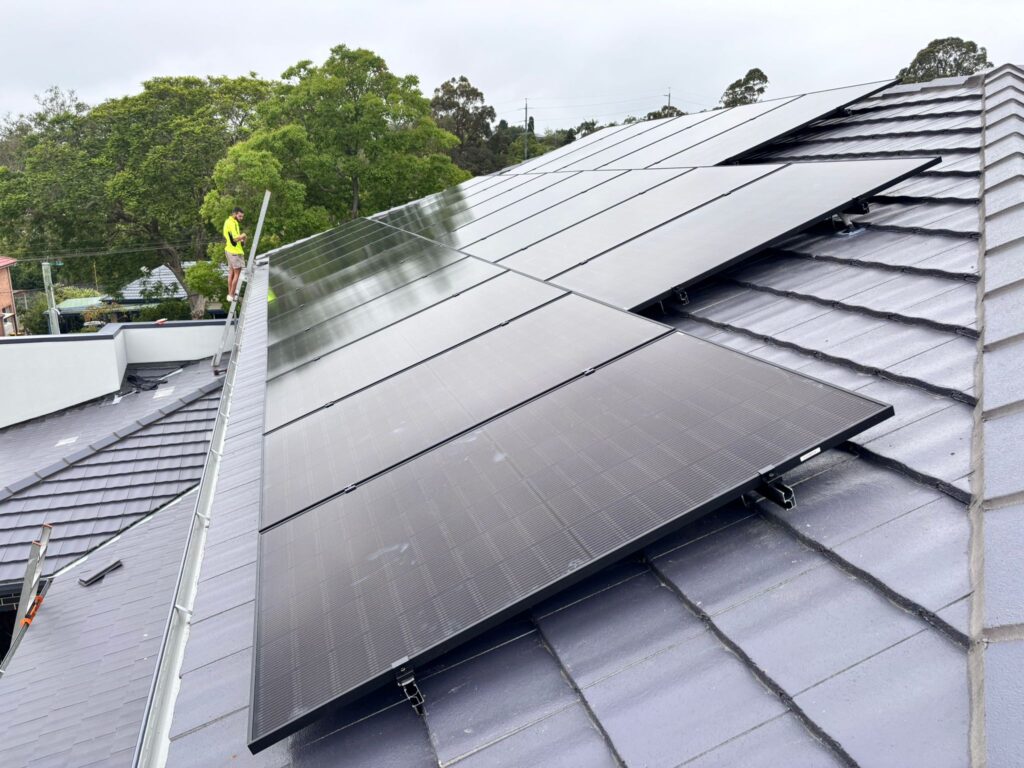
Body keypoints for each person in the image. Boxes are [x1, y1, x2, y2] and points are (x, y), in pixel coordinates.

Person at [222, 207, 247, 302]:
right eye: (240, 216)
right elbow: (235, 239)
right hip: (234, 252)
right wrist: (243, 235)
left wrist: (240, 239)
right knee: (237, 273)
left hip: (229, 249)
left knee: (231, 272)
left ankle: (230, 294)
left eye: (242, 216)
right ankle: (232, 294)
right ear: (235, 214)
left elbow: (229, 236)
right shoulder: (232, 223)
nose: (241, 218)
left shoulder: (227, 221)